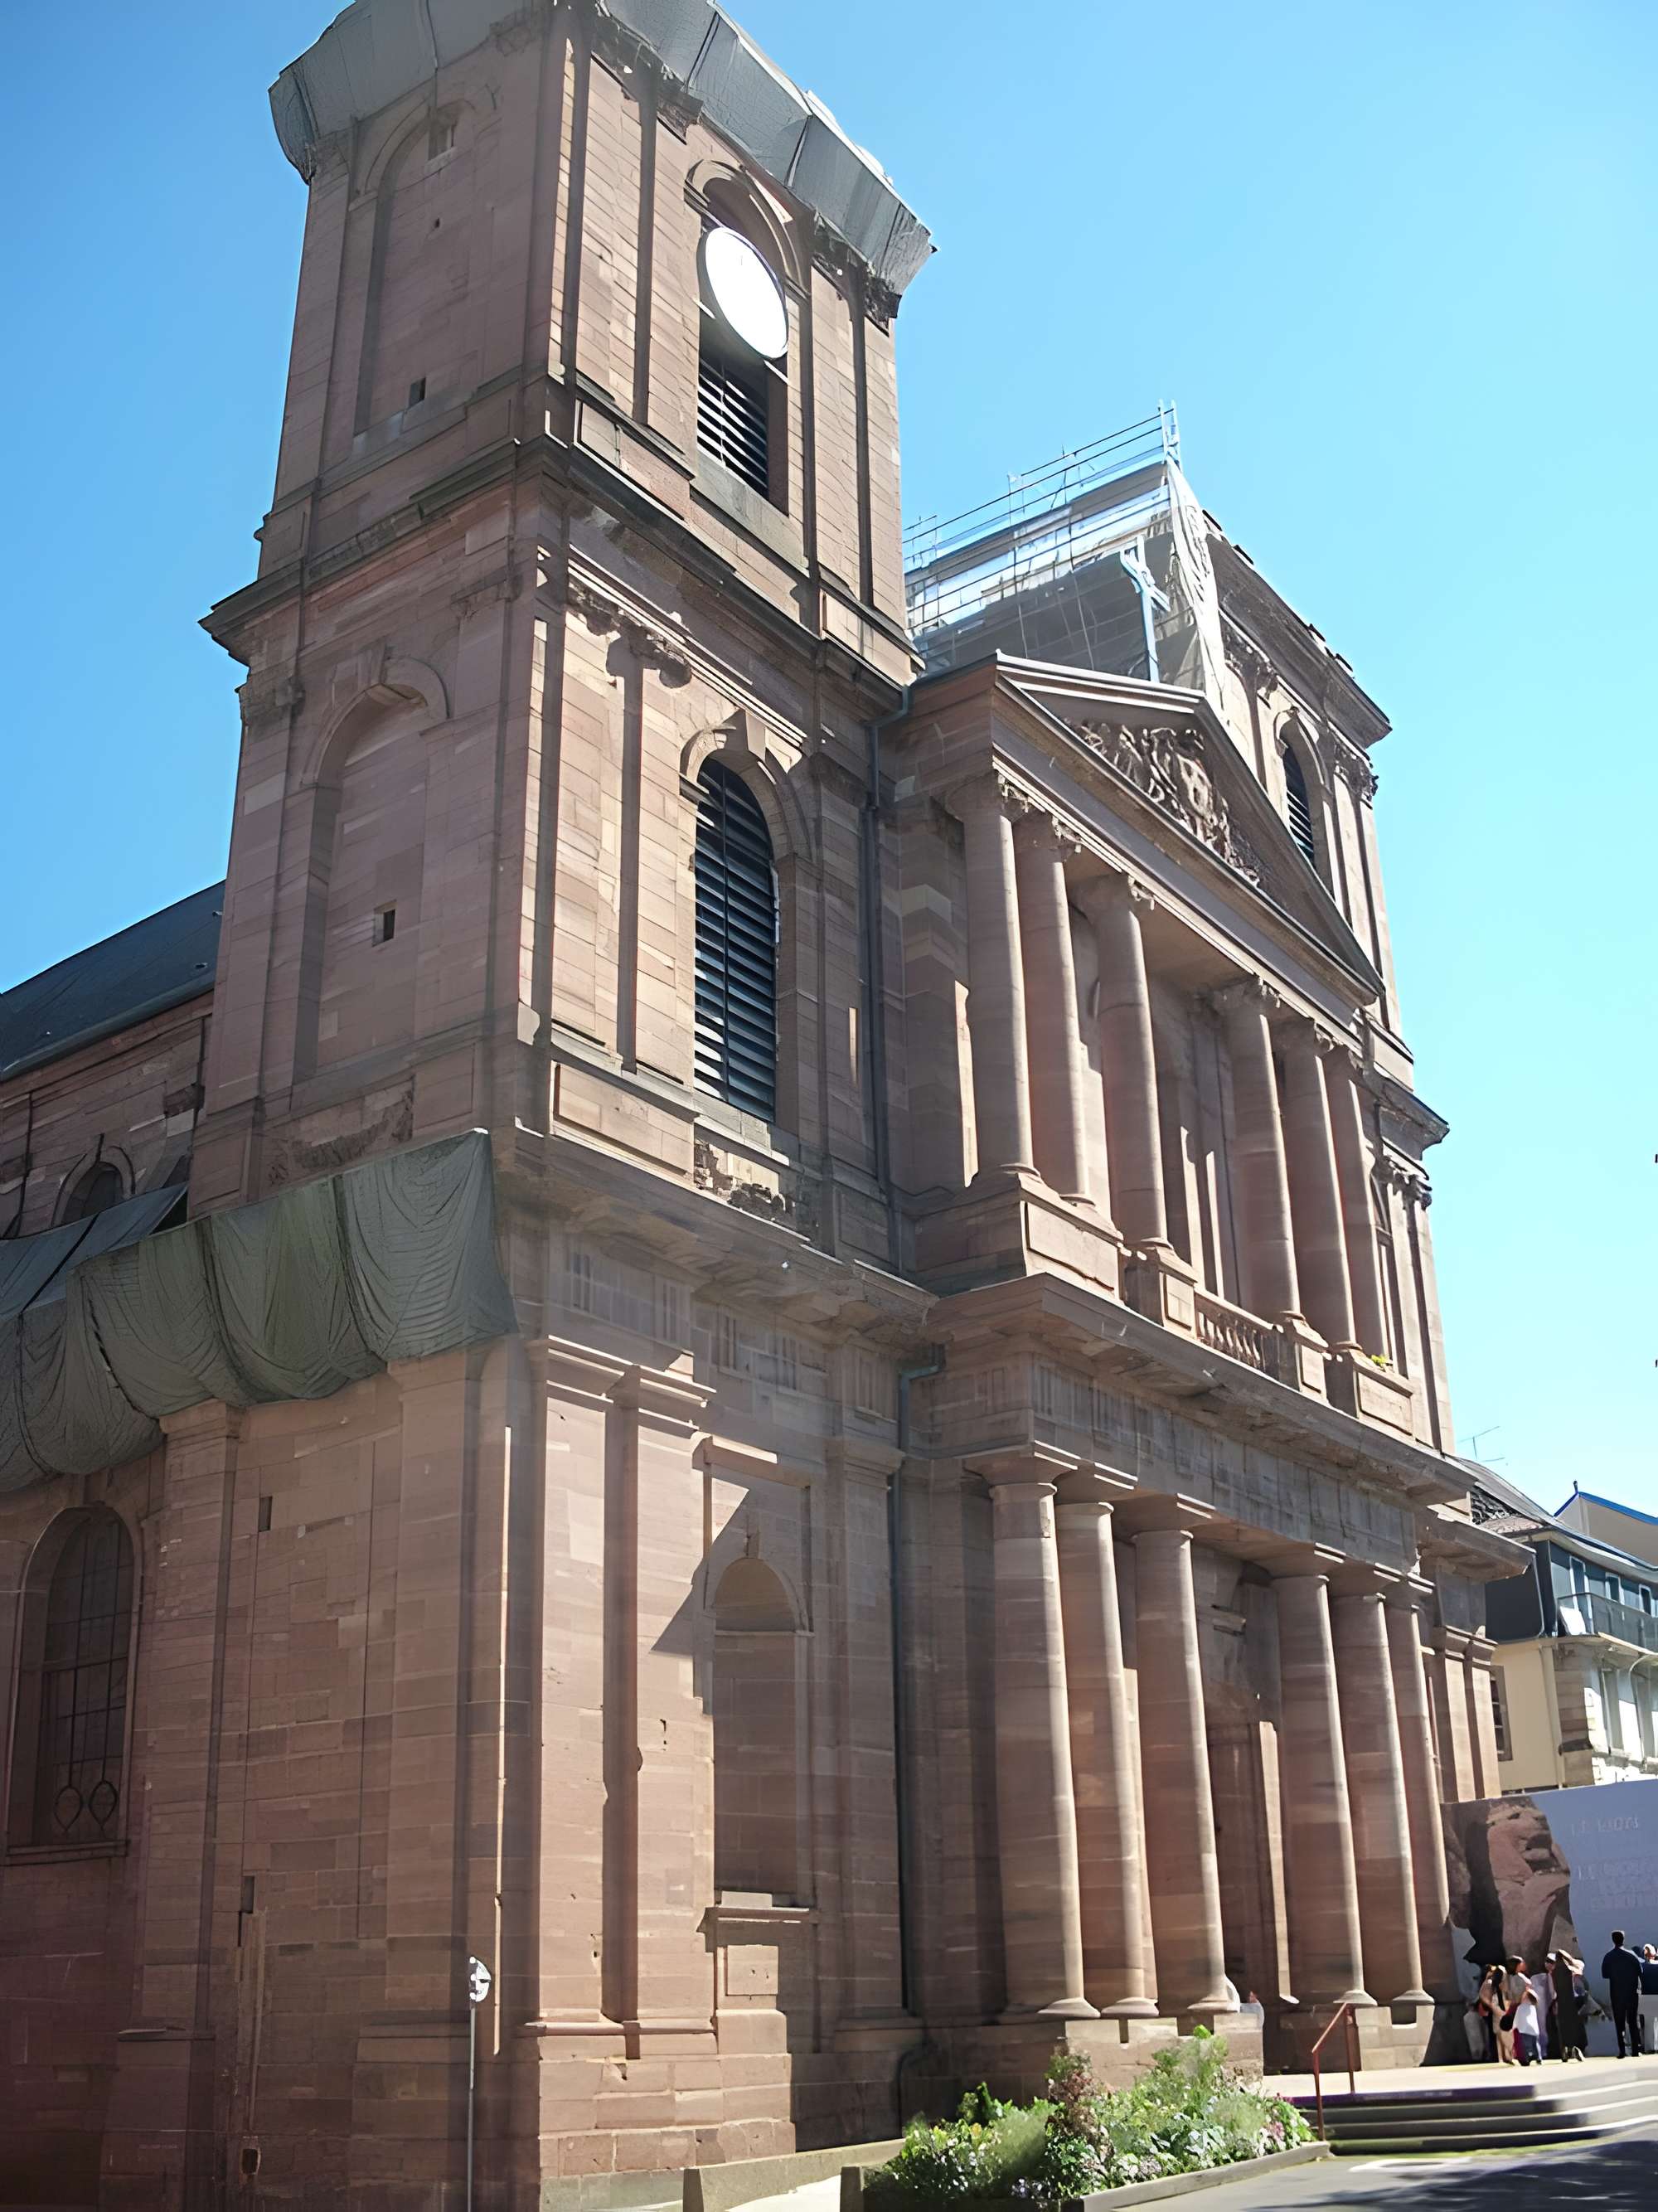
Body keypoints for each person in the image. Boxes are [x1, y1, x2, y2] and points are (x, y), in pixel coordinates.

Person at [1602, 1930, 1644, 2056]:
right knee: (1632, 2021)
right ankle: (1636, 2051)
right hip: (1631, 1993)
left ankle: (1622, 2051)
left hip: (1616, 1993)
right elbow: (1640, 1971)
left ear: (1612, 1939)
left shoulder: (1609, 1956)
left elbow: (1605, 1974)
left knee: (1619, 2023)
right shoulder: (1631, 1955)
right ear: (1623, 1939)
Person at [1549, 1950, 1588, 2062]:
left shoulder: (1554, 1972)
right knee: (1574, 2027)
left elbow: (1554, 1991)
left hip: (1561, 2002)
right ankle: (1576, 2050)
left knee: (1564, 2028)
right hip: (1572, 2002)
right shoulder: (1571, 1970)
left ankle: (1565, 2052)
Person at [1510, 1957, 1543, 2066]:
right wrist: (1524, 1996)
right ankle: (1527, 2055)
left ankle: (1534, 2055)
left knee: (1531, 2031)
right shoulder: (1515, 1978)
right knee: (1525, 2032)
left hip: (1527, 2007)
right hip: (1522, 2007)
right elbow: (1516, 1994)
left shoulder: (1519, 1977)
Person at [1640, 1944, 1658, 2055]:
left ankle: (1650, 2047)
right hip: (1656, 1995)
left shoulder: (1642, 1966)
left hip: (1647, 1996)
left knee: (1649, 2024)